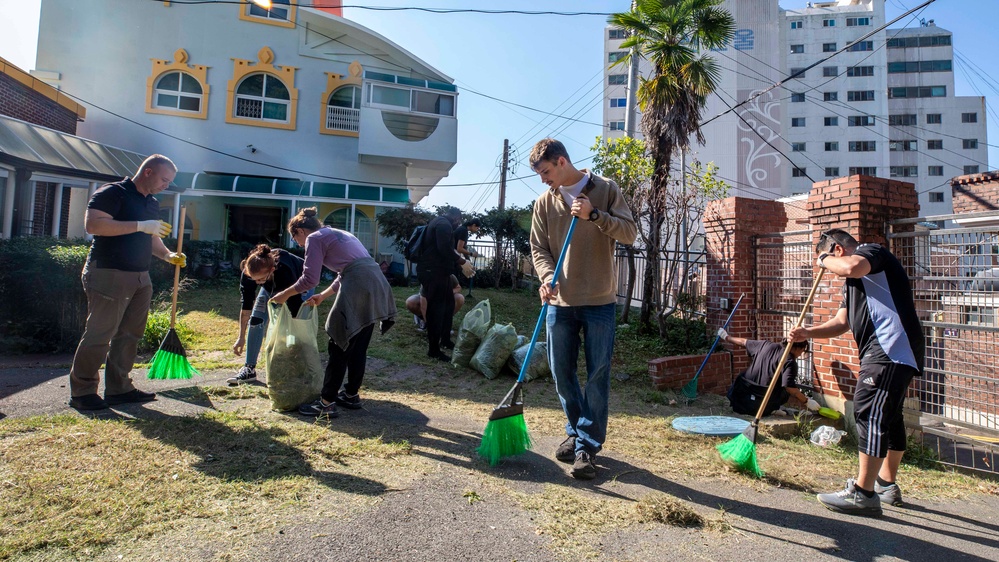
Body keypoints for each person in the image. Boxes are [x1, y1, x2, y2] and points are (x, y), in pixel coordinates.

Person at [789, 228, 924, 517]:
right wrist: (807, 332)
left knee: (868, 411)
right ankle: (886, 484)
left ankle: (863, 494)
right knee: (889, 414)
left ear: (837, 249)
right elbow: (841, 322)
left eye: (828, 257)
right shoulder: (854, 284)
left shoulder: (872, 253)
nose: (828, 268)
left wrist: (823, 259)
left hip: (889, 348)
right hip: (893, 351)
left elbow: (850, 266)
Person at [529, 138, 637, 480]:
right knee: (562, 373)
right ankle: (577, 431)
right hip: (559, 302)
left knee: (597, 376)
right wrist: (546, 278)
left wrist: (594, 215)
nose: (543, 180)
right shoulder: (544, 202)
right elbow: (539, 248)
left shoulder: (605, 189)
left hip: (599, 300)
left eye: (546, 172)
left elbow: (630, 233)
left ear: (561, 162)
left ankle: (587, 446)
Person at [68, 154, 187, 411]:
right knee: (100, 334)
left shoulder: (152, 203)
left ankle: (119, 389)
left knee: (130, 334)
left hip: (141, 276)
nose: (166, 185)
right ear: (148, 172)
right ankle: (83, 392)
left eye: (170, 182)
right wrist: (140, 225)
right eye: (164, 179)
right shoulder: (112, 193)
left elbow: (151, 238)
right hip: (109, 273)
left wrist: (167, 255)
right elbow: (94, 225)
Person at [270, 208, 396, 418]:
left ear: (300, 230)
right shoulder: (340, 233)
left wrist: (283, 294)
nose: (298, 244)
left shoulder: (315, 238)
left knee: (338, 340)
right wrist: (323, 295)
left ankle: (326, 403)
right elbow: (347, 270)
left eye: (295, 238)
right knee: (358, 343)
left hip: (359, 283)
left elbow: (309, 279)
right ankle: (351, 394)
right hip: (376, 283)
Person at [228, 244, 310, 385]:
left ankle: (298, 367)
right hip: (270, 287)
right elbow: (246, 307)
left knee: (295, 324)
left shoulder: (286, 271)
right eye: (255, 280)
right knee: (256, 319)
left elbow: (295, 311)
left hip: (299, 283)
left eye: (260, 280)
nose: (257, 283)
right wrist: (241, 337)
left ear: (272, 270)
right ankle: (249, 369)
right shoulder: (249, 274)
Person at [718, 329, 817, 417]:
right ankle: (772, 409)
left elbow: (743, 342)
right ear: (797, 348)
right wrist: (807, 401)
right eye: (802, 351)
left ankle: (772, 408)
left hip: (739, 400)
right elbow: (790, 388)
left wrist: (726, 336)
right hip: (760, 405)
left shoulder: (765, 345)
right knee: (785, 391)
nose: (800, 355)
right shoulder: (789, 361)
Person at [418, 208, 475, 361]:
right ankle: (433, 349)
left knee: (448, 305)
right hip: (433, 272)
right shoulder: (443, 224)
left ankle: (445, 340)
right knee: (436, 310)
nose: (458, 224)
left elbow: (445, 249)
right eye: (459, 220)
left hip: (440, 272)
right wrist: (462, 262)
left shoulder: (439, 222)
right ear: (456, 217)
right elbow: (444, 248)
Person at [453, 218, 481, 282]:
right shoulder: (464, 231)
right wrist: (472, 254)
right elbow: (459, 249)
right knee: (453, 280)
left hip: (452, 256)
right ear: (473, 225)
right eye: (477, 228)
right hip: (452, 257)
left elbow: (463, 248)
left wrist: (469, 263)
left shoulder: (462, 229)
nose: (477, 230)